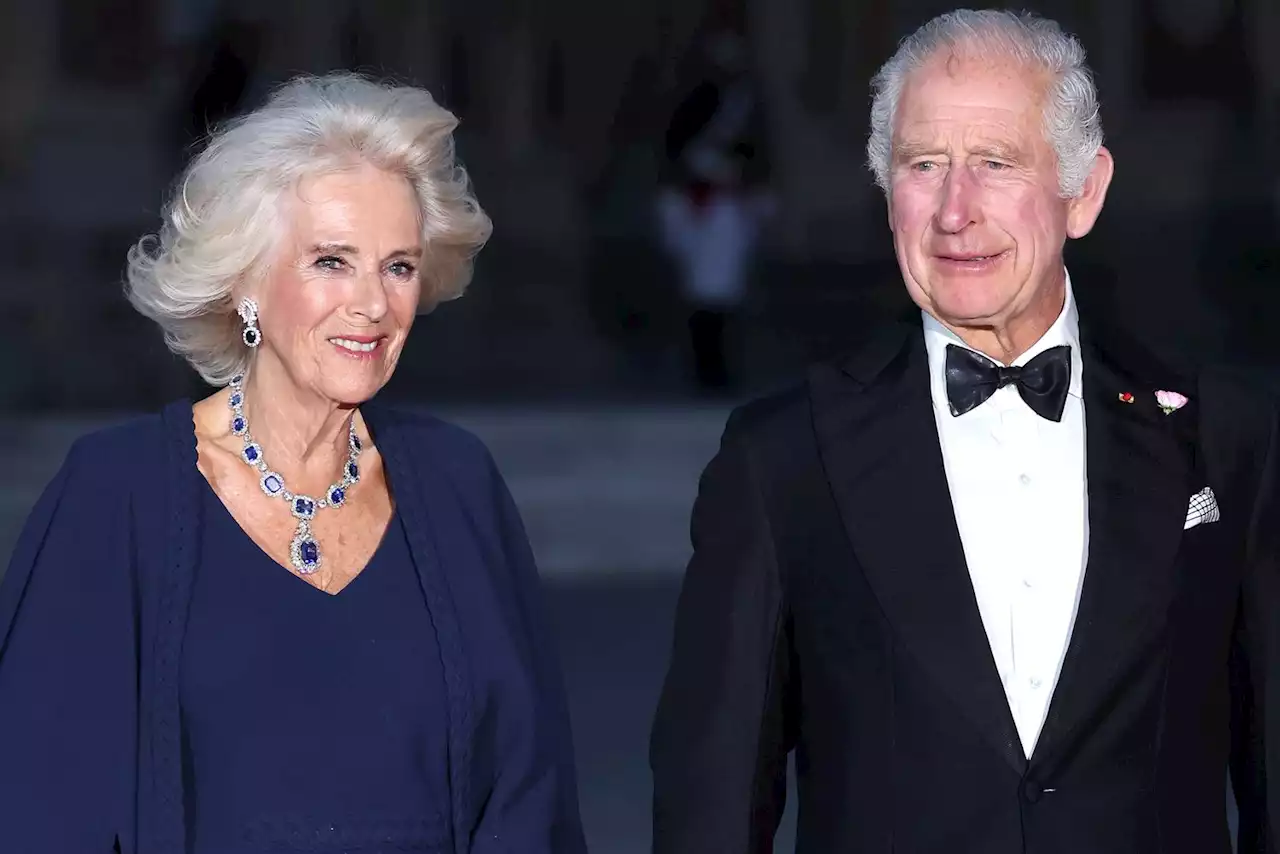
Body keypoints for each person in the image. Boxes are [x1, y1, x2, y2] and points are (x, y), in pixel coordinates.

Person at [650, 9, 1279, 853]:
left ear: (1082, 192)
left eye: (994, 163)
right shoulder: (781, 460)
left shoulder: (1225, 440)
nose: (955, 209)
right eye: (923, 165)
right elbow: (711, 812)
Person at [0, 72, 586, 854]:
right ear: (246, 279)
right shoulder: (117, 496)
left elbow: (529, 797)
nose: (373, 304)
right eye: (332, 261)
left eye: (399, 266)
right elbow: (41, 806)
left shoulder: (459, 485)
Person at [656, 20, 773, 392]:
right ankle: (703, 369)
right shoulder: (692, 99)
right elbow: (676, 150)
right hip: (698, 205)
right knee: (699, 291)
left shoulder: (748, 104)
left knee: (725, 290)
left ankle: (719, 368)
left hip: (727, 207)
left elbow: (756, 157)